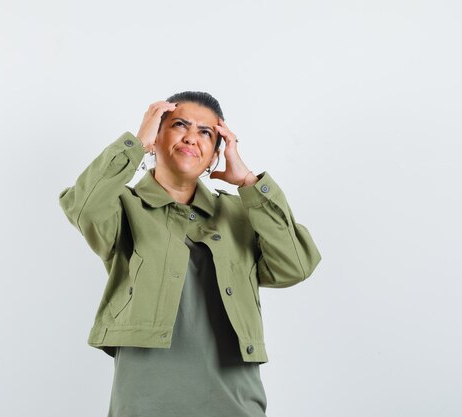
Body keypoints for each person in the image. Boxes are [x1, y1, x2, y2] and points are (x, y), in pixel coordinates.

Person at [59, 91, 322, 417]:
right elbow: (82, 207)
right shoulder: (124, 207)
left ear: (216, 153)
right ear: (157, 135)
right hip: (146, 401)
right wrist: (135, 145)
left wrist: (250, 184)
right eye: (179, 125)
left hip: (234, 401)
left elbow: (296, 265)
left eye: (205, 132)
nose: (191, 137)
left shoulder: (241, 213)